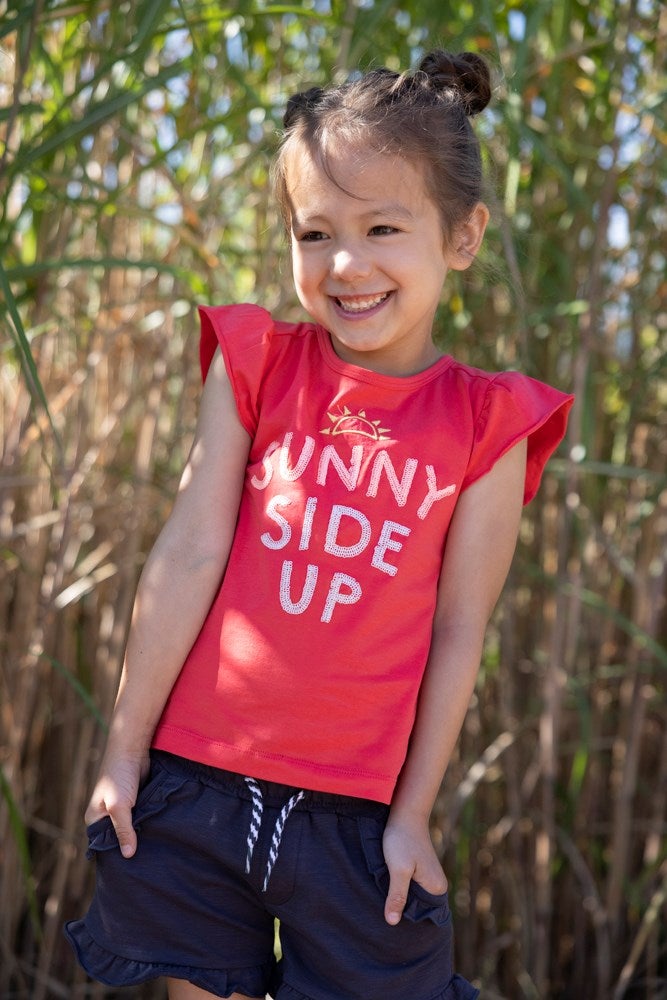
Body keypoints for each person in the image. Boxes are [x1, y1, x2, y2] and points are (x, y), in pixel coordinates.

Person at [65, 49, 574, 1000]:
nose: (345, 265)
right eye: (314, 233)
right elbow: (189, 550)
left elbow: (460, 629)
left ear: (462, 237)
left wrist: (411, 813)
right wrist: (123, 752)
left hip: (356, 814)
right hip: (195, 782)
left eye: (383, 226)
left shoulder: (489, 422)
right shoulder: (255, 362)